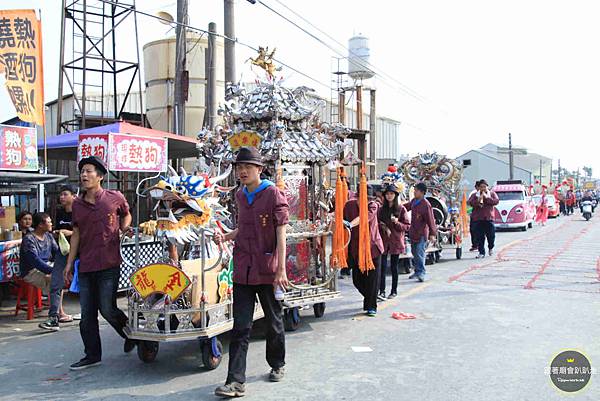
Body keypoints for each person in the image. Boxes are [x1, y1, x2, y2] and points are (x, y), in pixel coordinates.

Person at [213, 147, 289, 398]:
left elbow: (281, 232)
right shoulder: (240, 195)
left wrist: (281, 268)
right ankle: (235, 381)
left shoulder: (272, 194)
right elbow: (243, 229)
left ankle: (277, 363)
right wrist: (227, 235)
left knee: (274, 322)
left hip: (267, 269)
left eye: (247, 167)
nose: (242, 171)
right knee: (241, 326)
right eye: (238, 167)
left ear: (259, 169)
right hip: (243, 269)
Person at [64, 156, 134, 371]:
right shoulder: (77, 205)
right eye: (82, 172)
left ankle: (131, 333)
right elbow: (75, 234)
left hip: (109, 264)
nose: (84, 175)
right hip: (85, 266)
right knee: (87, 316)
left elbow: (127, 214)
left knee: (108, 309)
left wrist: (123, 227)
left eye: (88, 171)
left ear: (100, 176)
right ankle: (92, 355)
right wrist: (69, 265)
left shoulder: (114, 197)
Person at [344, 184, 384, 316]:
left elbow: (364, 218)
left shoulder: (373, 206)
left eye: (368, 198)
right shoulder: (349, 205)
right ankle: (370, 297)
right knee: (357, 279)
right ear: (357, 197)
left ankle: (372, 306)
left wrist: (350, 224)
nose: (366, 201)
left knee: (372, 279)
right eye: (363, 198)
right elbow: (341, 218)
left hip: (372, 248)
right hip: (356, 249)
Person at [19, 213, 61, 330]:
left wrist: (60, 266)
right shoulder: (29, 239)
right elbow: (35, 261)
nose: (51, 224)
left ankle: (56, 315)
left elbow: (57, 252)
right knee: (57, 280)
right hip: (30, 271)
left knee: (59, 277)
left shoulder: (48, 236)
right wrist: (52, 270)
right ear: (41, 225)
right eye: (49, 222)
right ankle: (55, 316)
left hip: (46, 267)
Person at [49, 184, 79, 326]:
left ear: (74, 196)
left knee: (86, 284)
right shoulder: (60, 212)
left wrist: (71, 233)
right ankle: (53, 317)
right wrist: (57, 232)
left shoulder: (81, 212)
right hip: (63, 251)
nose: (62, 197)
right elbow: (58, 228)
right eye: (61, 195)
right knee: (56, 282)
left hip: (81, 252)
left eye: (65, 194)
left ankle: (90, 314)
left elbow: (87, 232)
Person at [378, 184, 410, 299]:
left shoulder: (401, 209)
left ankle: (394, 290)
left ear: (395, 195)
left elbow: (407, 226)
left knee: (394, 267)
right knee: (382, 267)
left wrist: (396, 222)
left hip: (396, 241)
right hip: (384, 240)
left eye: (391, 194)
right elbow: (377, 222)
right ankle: (381, 291)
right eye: (387, 194)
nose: (389, 196)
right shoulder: (381, 209)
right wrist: (384, 227)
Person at [403, 183, 437, 282]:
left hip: (422, 233)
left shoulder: (426, 204)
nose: (414, 192)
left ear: (422, 192)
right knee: (414, 252)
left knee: (419, 253)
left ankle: (422, 272)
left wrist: (432, 233)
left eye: (416, 190)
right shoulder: (414, 201)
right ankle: (417, 271)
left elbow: (430, 220)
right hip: (413, 231)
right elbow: (406, 207)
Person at [468, 179, 500, 259]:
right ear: (479, 188)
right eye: (481, 187)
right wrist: (478, 200)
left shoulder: (492, 194)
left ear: (487, 187)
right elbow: (470, 203)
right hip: (478, 219)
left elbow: (496, 201)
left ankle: (490, 247)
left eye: (484, 187)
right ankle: (481, 252)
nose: (483, 188)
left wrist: (487, 198)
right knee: (480, 237)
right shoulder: (475, 195)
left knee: (491, 235)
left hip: (489, 218)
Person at [468, 181, 480, 252]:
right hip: (474, 216)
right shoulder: (473, 194)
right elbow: (469, 202)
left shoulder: (487, 193)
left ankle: (480, 245)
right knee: (473, 230)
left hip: (482, 216)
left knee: (480, 231)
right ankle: (475, 245)